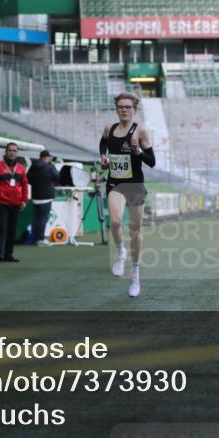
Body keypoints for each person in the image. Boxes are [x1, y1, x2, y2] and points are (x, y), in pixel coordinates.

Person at [99, 92, 155, 298]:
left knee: (135, 230)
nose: (124, 110)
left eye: (128, 107)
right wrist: (103, 156)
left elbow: (152, 161)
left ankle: (135, 274)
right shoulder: (109, 128)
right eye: (121, 106)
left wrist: (138, 151)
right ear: (116, 109)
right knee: (114, 222)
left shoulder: (140, 132)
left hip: (134, 184)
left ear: (134, 110)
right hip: (115, 182)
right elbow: (103, 142)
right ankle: (121, 251)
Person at [0, 143, 29, 263]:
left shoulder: (21, 168)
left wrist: (24, 200)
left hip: (16, 204)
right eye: (10, 150)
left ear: (17, 153)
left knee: (12, 230)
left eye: (14, 151)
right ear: (6, 152)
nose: (12, 153)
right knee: (1, 229)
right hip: (2, 203)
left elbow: (25, 185)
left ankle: (8, 255)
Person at [26, 150, 59, 245]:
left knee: (37, 218)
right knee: (43, 218)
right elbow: (57, 176)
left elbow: (28, 179)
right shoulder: (49, 167)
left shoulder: (33, 166)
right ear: (46, 157)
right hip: (46, 196)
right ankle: (40, 239)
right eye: (49, 157)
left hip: (36, 195)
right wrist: (52, 165)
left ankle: (36, 238)